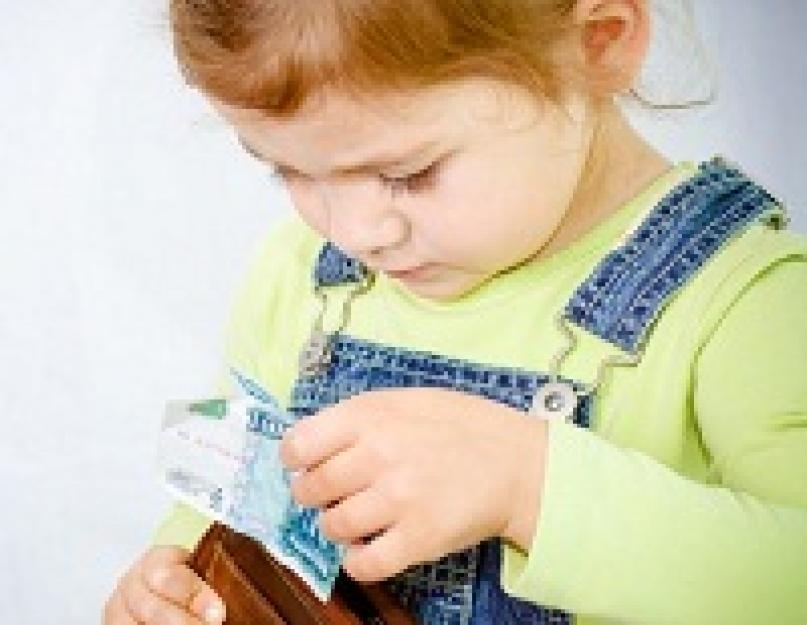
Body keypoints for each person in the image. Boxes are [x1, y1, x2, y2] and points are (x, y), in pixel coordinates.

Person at [104, 0, 807, 623]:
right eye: (287, 170)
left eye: (406, 175)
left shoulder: (742, 303)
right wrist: (175, 570)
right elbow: (235, 491)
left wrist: (528, 485)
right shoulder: (306, 277)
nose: (354, 230)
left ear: (597, 43)